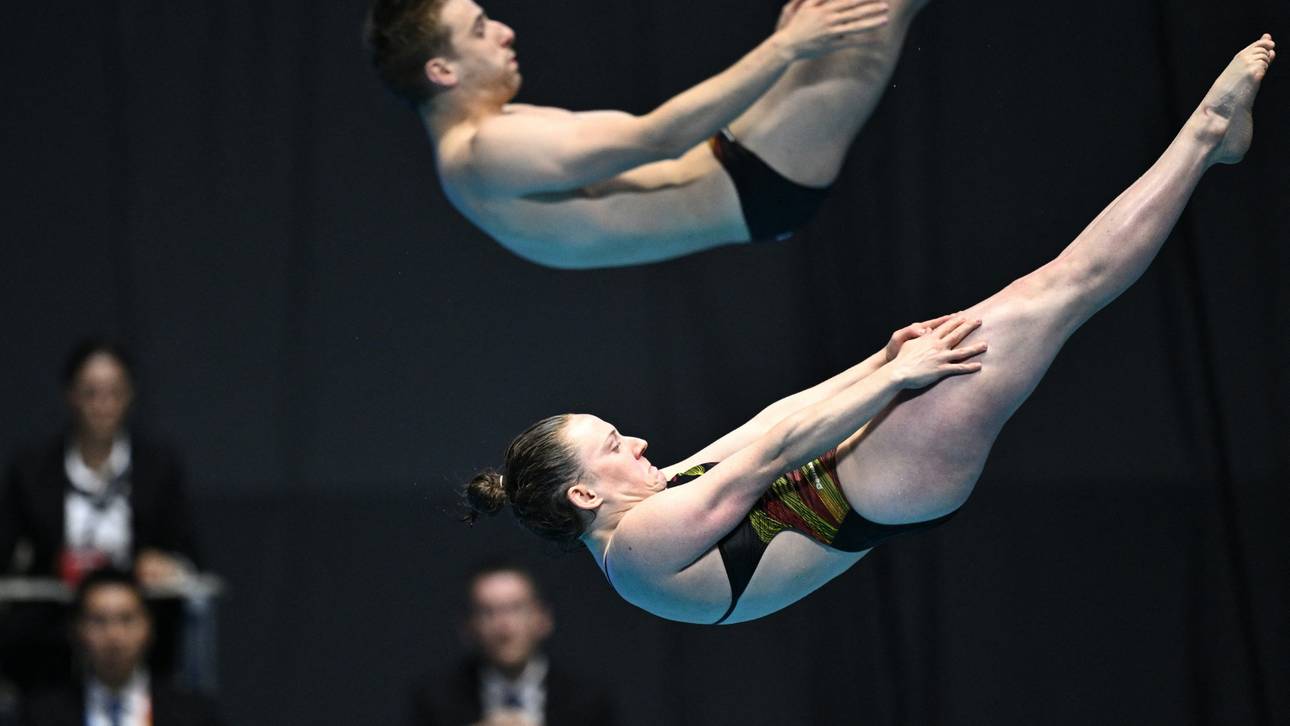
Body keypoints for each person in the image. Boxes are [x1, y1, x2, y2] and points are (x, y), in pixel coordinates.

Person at [465, 38, 1276, 623]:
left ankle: (1208, 145)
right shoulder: (636, 551)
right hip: (880, 485)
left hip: (854, 461)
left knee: (1049, 290)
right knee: (1062, 291)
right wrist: (891, 381)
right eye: (613, 447)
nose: (636, 443)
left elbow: (772, 423)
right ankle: (1206, 134)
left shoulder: (641, 506)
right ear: (583, 494)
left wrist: (877, 364)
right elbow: (774, 460)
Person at [366, 0, 930, 268]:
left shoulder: (487, 137)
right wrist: (785, 49)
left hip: (735, 157)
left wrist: (783, 56)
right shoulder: (486, 154)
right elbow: (659, 139)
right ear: (442, 71)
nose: (508, 33)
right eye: (482, 30)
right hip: (758, 181)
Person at [1, 340, 199, 587]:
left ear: (130, 395)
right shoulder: (32, 470)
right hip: (55, 615)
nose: (103, 405)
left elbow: (190, 556)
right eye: (91, 393)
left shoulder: (158, 468)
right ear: (71, 395)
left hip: (139, 611)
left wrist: (167, 565)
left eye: (114, 392)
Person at [409, 561, 616, 726]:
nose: (503, 627)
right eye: (488, 612)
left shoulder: (586, 699)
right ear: (469, 626)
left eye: (516, 609)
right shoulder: (436, 699)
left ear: (543, 618)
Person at [21, 568, 222, 726]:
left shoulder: (192, 715)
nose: (114, 636)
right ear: (77, 630)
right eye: (99, 621)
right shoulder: (41, 716)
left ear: (148, 627)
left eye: (127, 620)